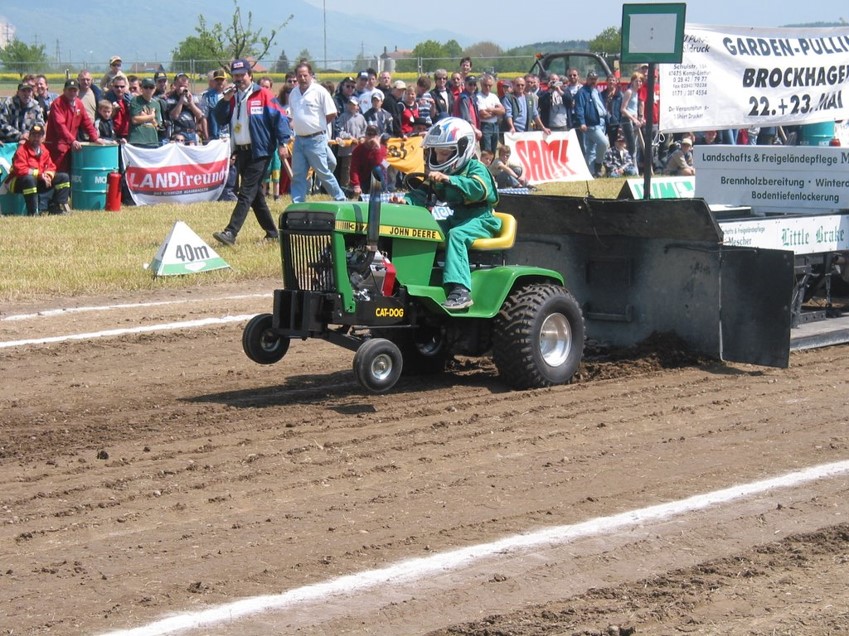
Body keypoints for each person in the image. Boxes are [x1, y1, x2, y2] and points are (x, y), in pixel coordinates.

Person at [401, 117, 501, 311]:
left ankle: (461, 290)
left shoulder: (476, 168)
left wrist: (450, 180)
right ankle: (415, 279)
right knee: (424, 229)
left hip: (481, 219)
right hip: (457, 218)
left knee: (457, 235)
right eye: (437, 154)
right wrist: (405, 201)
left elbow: (478, 189)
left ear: (462, 149)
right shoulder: (440, 173)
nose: (439, 159)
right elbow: (422, 193)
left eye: (445, 154)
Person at [211, 59, 292, 247]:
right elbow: (219, 118)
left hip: (260, 151)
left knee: (246, 192)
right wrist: (224, 100)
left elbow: (280, 118)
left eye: (242, 75)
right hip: (242, 151)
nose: (239, 79)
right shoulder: (232, 97)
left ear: (250, 75)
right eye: (236, 76)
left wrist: (283, 142)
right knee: (255, 196)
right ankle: (272, 233)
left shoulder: (263, 94)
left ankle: (231, 232)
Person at [287, 61, 346, 203]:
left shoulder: (320, 91)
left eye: (305, 75)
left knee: (323, 172)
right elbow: (292, 115)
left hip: (316, 139)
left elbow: (331, 113)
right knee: (299, 174)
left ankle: (340, 198)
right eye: (299, 76)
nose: (302, 78)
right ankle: (298, 202)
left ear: (311, 75)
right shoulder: (293, 94)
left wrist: (318, 126)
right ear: (296, 76)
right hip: (299, 139)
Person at [5, 124, 71, 215]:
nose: (36, 138)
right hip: (17, 182)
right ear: (29, 136)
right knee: (29, 179)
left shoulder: (44, 150)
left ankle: (55, 207)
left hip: (38, 180)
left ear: (43, 138)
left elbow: (52, 166)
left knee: (63, 177)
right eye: (33, 135)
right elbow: (20, 169)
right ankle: (32, 212)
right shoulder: (22, 150)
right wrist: (40, 175)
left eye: (39, 136)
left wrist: (48, 175)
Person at [45, 78, 107, 175]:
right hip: (57, 147)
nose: (72, 93)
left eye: (75, 90)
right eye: (70, 90)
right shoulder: (57, 104)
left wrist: (95, 138)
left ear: (78, 92)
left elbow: (86, 122)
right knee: (59, 176)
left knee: (73, 175)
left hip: (71, 147)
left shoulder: (78, 103)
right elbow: (60, 126)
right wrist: (72, 140)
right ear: (64, 90)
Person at [573, 71, 609, 177]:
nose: (593, 81)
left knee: (590, 149)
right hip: (591, 124)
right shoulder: (582, 92)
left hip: (601, 122)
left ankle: (590, 172)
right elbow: (579, 108)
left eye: (595, 79)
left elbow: (600, 106)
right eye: (591, 79)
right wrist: (582, 122)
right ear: (587, 79)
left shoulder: (596, 91)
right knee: (604, 143)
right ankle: (598, 165)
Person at [333, 96, 367, 189]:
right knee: (347, 168)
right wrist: (351, 138)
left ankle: (357, 186)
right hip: (347, 149)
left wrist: (362, 138)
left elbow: (365, 130)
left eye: (354, 105)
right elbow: (339, 131)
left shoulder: (361, 118)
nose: (352, 106)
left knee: (359, 168)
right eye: (350, 104)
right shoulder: (343, 117)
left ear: (358, 107)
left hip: (359, 149)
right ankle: (345, 187)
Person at [165, 73, 205, 144]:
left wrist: (191, 103)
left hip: (192, 133)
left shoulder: (193, 96)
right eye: (180, 86)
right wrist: (181, 100)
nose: (183, 88)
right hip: (178, 133)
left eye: (185, 86)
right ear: (175, 84)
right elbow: (174, 116)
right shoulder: (171, 98)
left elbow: (199, 115)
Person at [349, 124, 388, 197]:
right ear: (365, 135)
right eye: (369, 134)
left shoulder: (383, 149)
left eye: (374, 135)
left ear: (378, 136)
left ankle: (383, 192)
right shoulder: (358, 150)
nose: (371, 137)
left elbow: (383, 165)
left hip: (380, 179)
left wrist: (377, 149)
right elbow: (354, 169)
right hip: (364, 179)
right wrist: (356, 184)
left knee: (377, 169)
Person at [128, 78, 163, 148]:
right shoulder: (136, 100)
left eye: (151, 87)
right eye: (146, 87)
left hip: (152, 141)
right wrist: (151, 116)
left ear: (155, 88)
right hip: (137, 139)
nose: (148, 90)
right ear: (141, 88)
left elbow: (157, 125)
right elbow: (135, 120)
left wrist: (146, 117)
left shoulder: (156, 104)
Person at [619, 72, 644, 167]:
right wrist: (633, 119)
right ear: (632, 82)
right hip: (627, 121)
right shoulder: (629, 92)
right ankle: (631, 168)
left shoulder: (636, 93)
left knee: (635, 147)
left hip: (634, 122)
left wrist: (640, 118)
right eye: (637, 81)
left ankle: (634, 167)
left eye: (640, 81)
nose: (639, 83)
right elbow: (623, 109)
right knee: (631, 146)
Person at [476, 73, 505, 153]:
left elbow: (502, 111)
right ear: (481, 85)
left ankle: (491, 165)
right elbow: (483, 114)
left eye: (490, 85)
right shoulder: (478, 97)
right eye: (485, 85)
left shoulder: (493, 96)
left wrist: (491, 110)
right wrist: (496, 112)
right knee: (486, 150)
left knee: (493, 150)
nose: (488, 87)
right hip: (485, 126)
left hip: (495, 125)